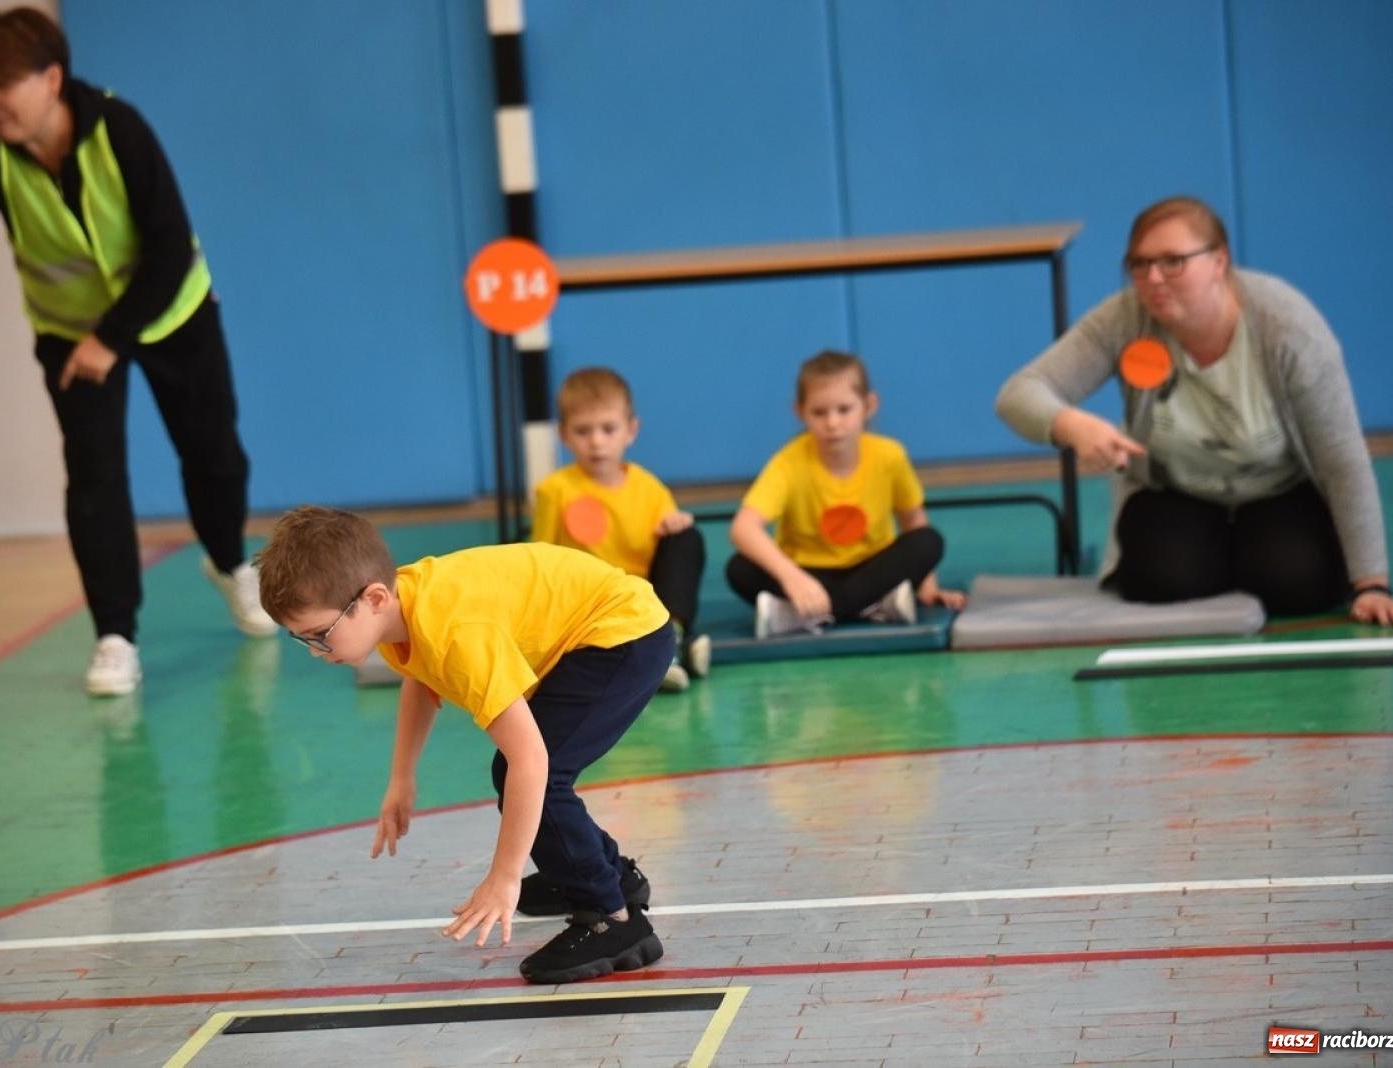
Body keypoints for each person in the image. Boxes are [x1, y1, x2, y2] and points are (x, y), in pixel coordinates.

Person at [0, 7, 276, 696]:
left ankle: (229, 562)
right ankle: (114, 635)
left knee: (214, 456)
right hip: (68, 333)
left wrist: (112, 338)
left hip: (171, 312)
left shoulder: (121, 131)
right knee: (95, 479)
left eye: (2, 86)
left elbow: (167, 249)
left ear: (51, 79)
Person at [256, 505, 671, 984]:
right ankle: (611, 875)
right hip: (600, 626)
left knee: (536, 771)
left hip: (624, 635)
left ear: (372, 599)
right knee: (526, 769)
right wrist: (402, 777)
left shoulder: (454, 632)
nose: (314, 651)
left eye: (320, 636)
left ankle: (612, 919)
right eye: (302, 639)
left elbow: (530, 761)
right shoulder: (399, 606)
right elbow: (419, 678)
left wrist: (504, 877)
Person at [995, 195, 1393, 627]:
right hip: (1178, 494)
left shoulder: (1289, 329)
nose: (1154, 278)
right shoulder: (1125, 318)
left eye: (1174, 261)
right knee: (1159, 580)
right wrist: (1071, 424)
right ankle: (1218, 553)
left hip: (1278, 492)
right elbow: (1018, 393)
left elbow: (1342, 459)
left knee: (1297, 583)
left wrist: (1372, 585)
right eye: (1140, 264)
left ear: (1219, 260)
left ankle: (1254, 552)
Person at [727, 350, 965, 637]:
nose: (833, 423)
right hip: (808, 575)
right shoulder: (787, 463)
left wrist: (929, 588)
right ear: (799, 411)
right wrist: (794, 579)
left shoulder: (889, 456)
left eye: (844, 409)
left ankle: (803, 615)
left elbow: (913, 520)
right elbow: (743, 528)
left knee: (929, 542)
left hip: (872, 569)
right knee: (739, 569)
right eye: (819, 412)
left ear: (869, 405)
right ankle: (872, 606)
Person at [532, 367, 708, 693]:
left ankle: (672, 639)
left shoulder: (649, 487)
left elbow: (671, 553)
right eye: (583, 431)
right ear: (564, 435)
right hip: (589, 603)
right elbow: (540, 562)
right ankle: (668, 653)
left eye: (608, 429)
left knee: (686, 536)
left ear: (631, 430)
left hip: (644, 597)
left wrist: (676, 522)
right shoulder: (553, 491)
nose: (596, 441)